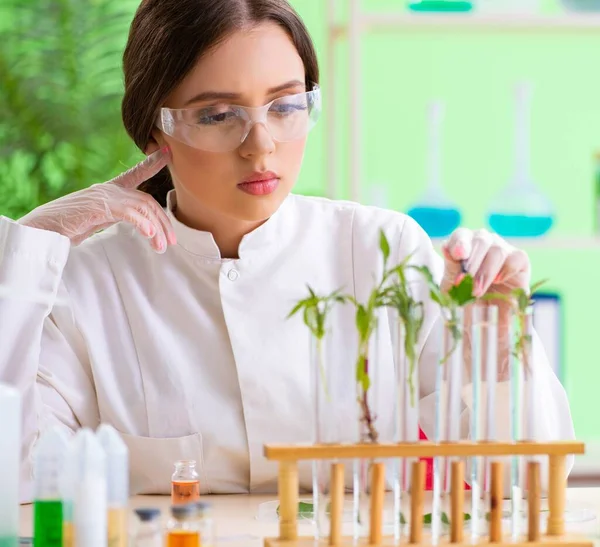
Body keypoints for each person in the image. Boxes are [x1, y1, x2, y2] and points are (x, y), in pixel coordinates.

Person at [0, 0, 573, 502]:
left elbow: (524, 479)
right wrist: (25, 249)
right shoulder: (89, 281)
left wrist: (500, 343)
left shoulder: (382, 252)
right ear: (155, 129)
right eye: (219, 115)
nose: (261, 145)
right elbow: (15, 478)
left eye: (285, 105)